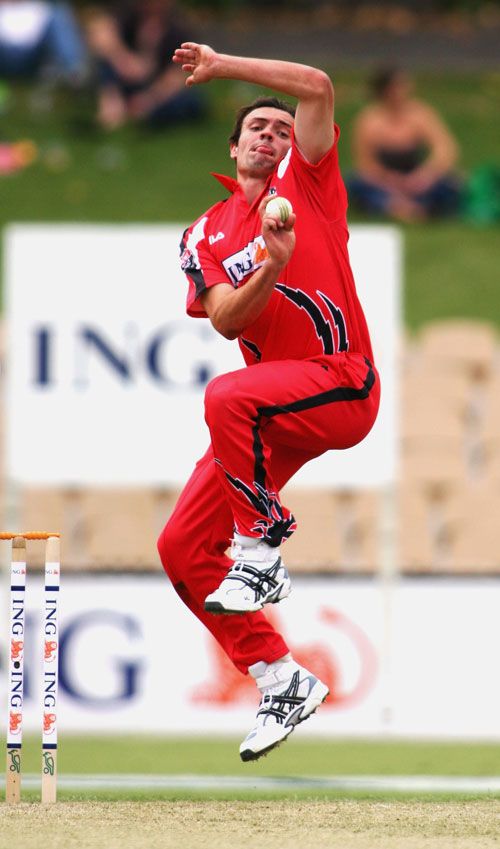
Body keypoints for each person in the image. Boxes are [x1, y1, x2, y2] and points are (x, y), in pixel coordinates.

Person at [157, 42, 380, 762]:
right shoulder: (207, 231)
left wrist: (222, 66)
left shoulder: (309, 183)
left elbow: (315, 83)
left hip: (342, 380)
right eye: (257, 127)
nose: (271, 135)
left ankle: (261, 545)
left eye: (281, 129)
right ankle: (280, 676)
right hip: (274, 412)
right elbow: (224, 317)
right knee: (183, 548)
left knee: (226, 395)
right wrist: (272, 266)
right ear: (233, 146)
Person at [348, 67, 462, 221]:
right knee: (357, 184)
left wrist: (425, 175)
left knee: (451, 184)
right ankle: (401, 207)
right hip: (384, 181)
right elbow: (365, 163)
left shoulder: (420, 114)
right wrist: (390, 181)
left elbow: (445, 148)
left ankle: (411, 208)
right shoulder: (369, 120)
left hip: (416, 178)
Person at [84, 1, 205, 130]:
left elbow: (177, 76)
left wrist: (149, 99)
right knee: (105, 66)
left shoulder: (178, 28)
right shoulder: (129, 15)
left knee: (190, 100)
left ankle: (143, 115)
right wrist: (124, 60)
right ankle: (112, 107)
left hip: (159, 89)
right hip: (128, 79)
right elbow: (101, 32)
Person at [0, 1, 87, 84]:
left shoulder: (41, 9)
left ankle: (74, 71)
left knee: (58, 16)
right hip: (4, 58)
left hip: (34, 59)